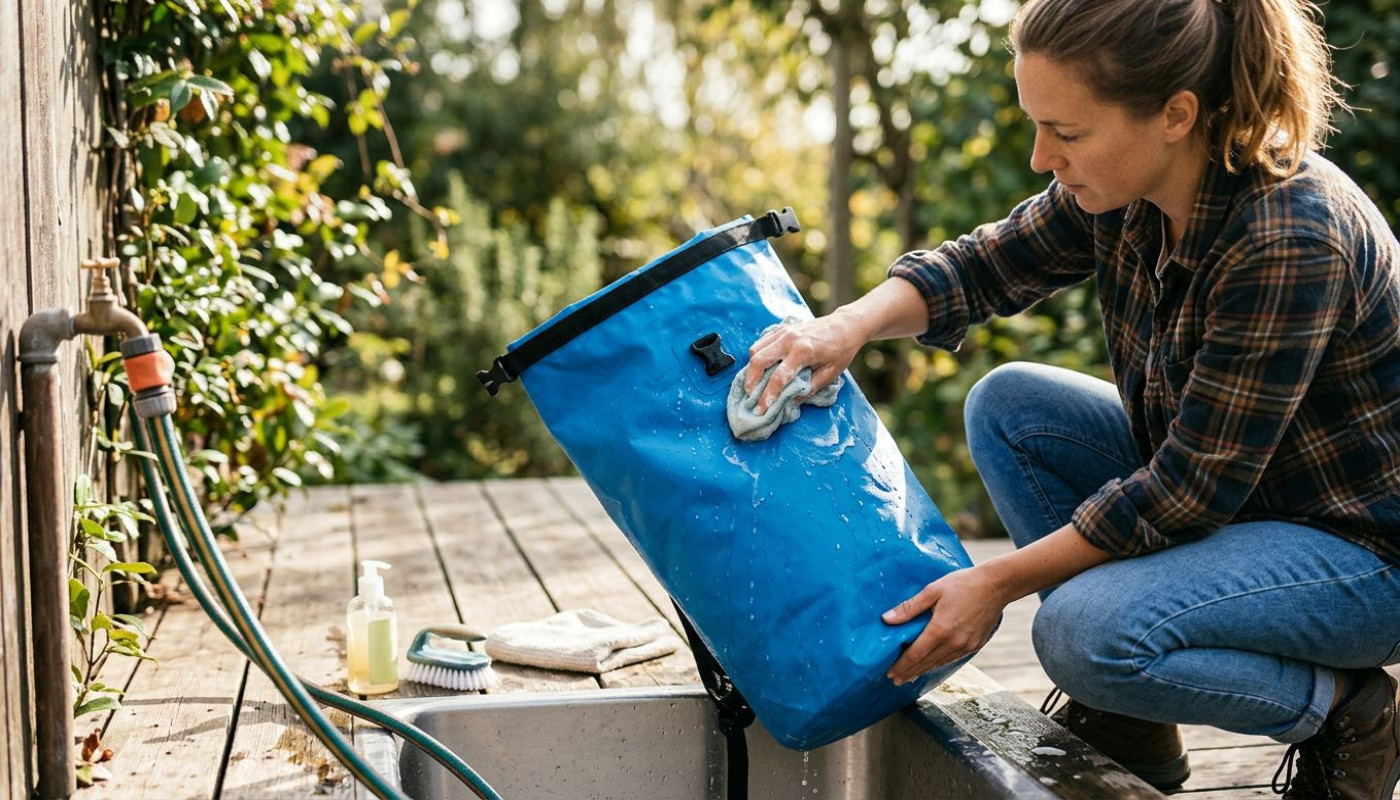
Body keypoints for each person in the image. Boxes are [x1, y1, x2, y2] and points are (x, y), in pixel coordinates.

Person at [744, 0, 1400, 796]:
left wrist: (994, 583)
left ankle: (1345, 711)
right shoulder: (1126, 187)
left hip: (1364, 554)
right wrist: (841, 328)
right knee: (1011, 407)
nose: (1038, 156)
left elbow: (1185, 494)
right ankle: (1130, 723)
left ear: (1175, 114)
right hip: (1251, 502)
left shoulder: (1289, 235)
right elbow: (982, 267)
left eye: (1067, 132)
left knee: (1084, 634)